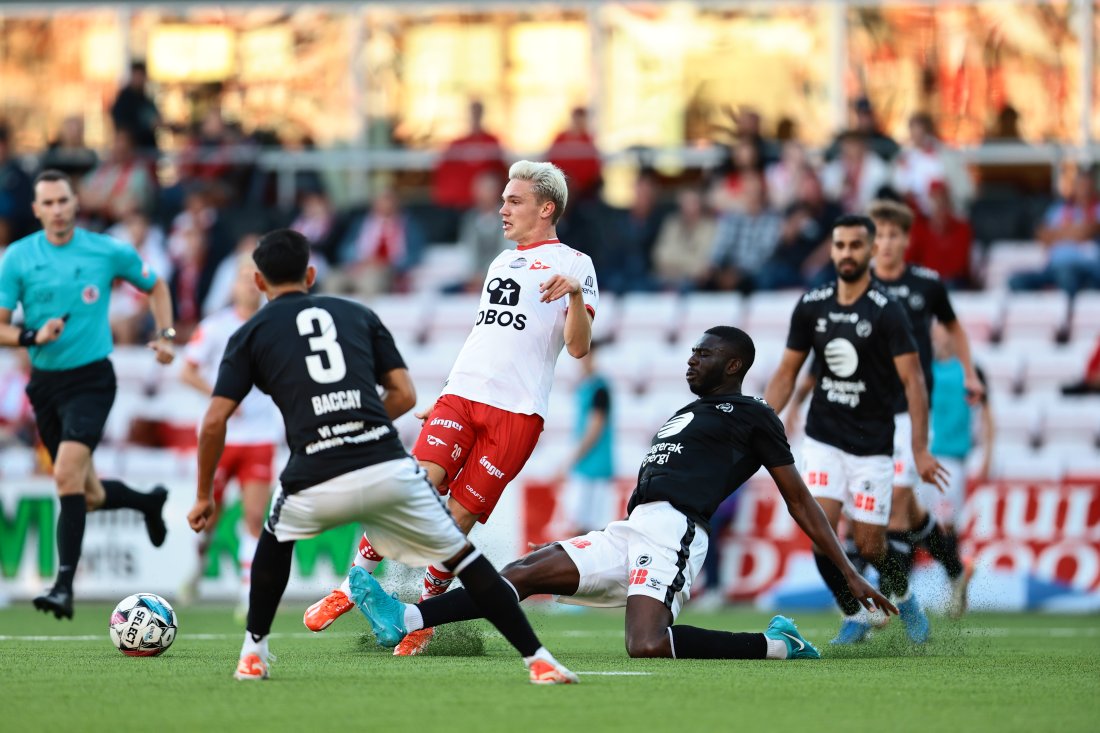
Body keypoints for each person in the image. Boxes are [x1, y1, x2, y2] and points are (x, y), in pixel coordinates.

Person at [350, 327, 896, 661]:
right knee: (524, 570)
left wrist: (848, 574)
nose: (690, 360)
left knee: (648, 645)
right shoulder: (686, 411)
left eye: (703, 355)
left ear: (733, 365)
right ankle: (409, 620)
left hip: (677, 533)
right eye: (691, 353)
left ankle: (778, 644)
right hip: (633, 528)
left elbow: (798, 497)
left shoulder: (754, 414)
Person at [186, 229, 577, 684]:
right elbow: (405, 393)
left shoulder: (248, 332)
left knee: (274, 538)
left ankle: (253, 653)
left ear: (258, 282)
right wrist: (363, 424)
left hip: (314, 470)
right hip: (382, 464)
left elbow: (214, 422)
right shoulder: (356, 312)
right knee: (464, 557)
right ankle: (539, 660)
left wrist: (202, 496)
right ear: (312, 274)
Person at [304, 161, 598, 656]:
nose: (502, 208)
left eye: (514, 200)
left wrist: (571, 296)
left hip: (517, 413)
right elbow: (485, 334)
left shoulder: (576, 264)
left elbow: (578, 348)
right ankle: (350, 583)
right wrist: (444, 391)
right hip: (462, 395)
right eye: (503, 199)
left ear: (546, 208)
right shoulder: (501, 263)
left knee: (458, 519)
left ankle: (422, 616)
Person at [0, 169, 176, 620]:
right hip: (45, 384)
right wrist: (33, 335)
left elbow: (155, 284)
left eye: (64, 201)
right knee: (88, 493)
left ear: (75, 204)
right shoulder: (17, 259)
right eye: (48, 203)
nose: (57, 210)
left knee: (64, 476)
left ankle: (62, 587)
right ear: (36, 209)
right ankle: (147, 501)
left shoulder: (106, 250)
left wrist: (166, 334)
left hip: (92, 380)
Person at [764, 213, 946, 645]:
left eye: (855, 246)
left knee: (870, 545)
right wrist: (761, 421)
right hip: (824, 437)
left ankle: (904, 596)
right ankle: (857, 614)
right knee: (821, 536)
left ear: (869, 251)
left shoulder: (887, 311)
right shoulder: (813, 304)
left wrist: (919, 449)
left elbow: (914, 382)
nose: (847, 253)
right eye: (840, 245)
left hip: (873, 445)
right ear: (832, 249)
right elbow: (788, 371)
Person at [865, 200, 982, 619]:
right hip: (868, 410)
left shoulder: (927, 285)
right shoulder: (857, 285)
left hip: (912, 413)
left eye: (894, 235)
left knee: (894, 502)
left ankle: (886, 601)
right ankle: (955, 570)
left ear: (906, 239)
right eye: (879, 235)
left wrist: (969, 372)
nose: (886, 243)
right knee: (911, 510)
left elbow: (954, 329)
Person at [180, 254, 280, 614]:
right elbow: (187, 370)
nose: (248, 284)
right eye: (242, 277)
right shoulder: (216, 326)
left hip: (260, 436)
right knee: (210, 517)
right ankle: (196, 566)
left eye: (254, 277)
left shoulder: (274, 324)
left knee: (255, 516)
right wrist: (220, 398)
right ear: (233, 286)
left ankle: (247, 595)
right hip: (221, 436)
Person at [919, 321, 991, 618]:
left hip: (952, 460)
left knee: (947, 524)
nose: (936, 335)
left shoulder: (970, 371)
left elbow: (987, 411)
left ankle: (954, 588)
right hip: (923, 458)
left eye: (941, 329)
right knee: (917, 524)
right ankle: (912, 591)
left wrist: (988, 454)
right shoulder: (924, 368)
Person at [550, 342, 615, 536]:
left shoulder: (599, 388)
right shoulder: (588, 387)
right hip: (589, 468)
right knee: (584, 529)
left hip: (594, 469)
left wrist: (570, 461)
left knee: (583, 530)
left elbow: (594, 428)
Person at [1009, 165, 1100, 298]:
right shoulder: (1059, 208)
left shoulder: (1097, 208)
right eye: (1080, 185)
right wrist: (1074, 232)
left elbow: (1087, 232)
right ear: (1074, 186)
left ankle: (1068, 314)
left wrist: (1057, 234)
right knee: (1016, 282)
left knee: (1067, 276)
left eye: (1087, 185)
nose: (1084, 189)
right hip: (1053, 268)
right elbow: (1041, 235)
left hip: (1087, 268)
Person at [109, 61, 160, 154]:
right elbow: (123, 126)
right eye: (137, 75)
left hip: (147, 149)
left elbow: (156, 119)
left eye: (141, 75)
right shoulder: (124, 100)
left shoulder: (145, 99)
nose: (139, 79)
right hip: (133, 151)